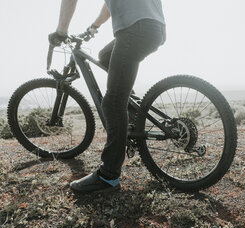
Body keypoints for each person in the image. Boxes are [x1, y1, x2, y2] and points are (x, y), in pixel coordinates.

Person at [48, 0, 166, 193]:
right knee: (105, 57)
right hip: (155, 27)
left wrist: (61, 31)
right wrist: (94, 26)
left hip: (134, 29)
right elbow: (109, 4)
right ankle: (131, 113)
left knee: (111, 103)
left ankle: (108, 176)